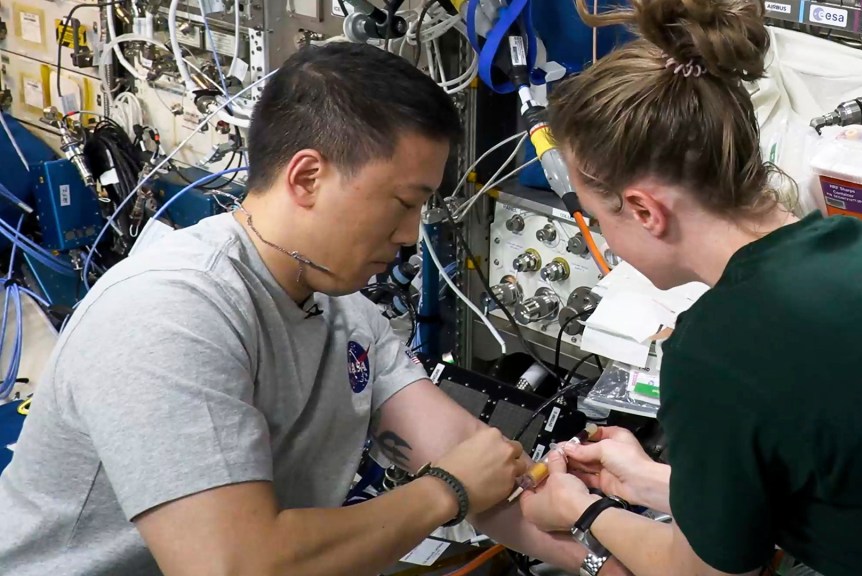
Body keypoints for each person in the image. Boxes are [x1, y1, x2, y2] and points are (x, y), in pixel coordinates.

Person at [0, 43, 628, 576]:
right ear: (306, 178)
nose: (411, 234)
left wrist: (605, 550)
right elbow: (232, 565)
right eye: (403, 203)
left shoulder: (342, 311)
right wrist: (449, 492)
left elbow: (470, 456)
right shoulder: (169, 312)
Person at [519, 0, 862, 575]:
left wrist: (582, 512)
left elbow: (698, 573)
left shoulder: (717, 348)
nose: (605, 240)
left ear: (643, 210)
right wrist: (650, 481)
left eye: (598, 217)